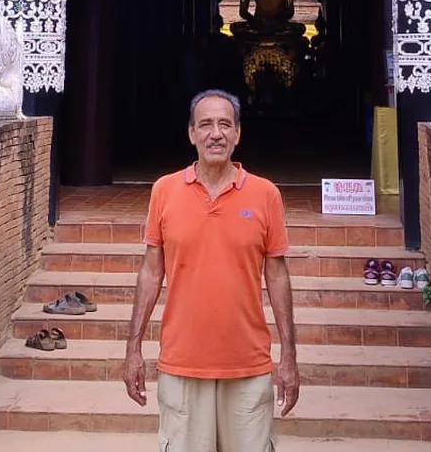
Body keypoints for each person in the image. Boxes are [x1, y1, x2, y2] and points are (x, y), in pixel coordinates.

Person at [123, 89, 299, 451]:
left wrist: (290, 357)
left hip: (248, 365)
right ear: (191, 133)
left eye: (224, 124)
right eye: (205, 124)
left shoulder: (266, 194)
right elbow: (151, 272)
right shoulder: (165, 191)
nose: (215, 134)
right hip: (182, 364)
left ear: (237, 133)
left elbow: (278, 277)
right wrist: (133, 348)